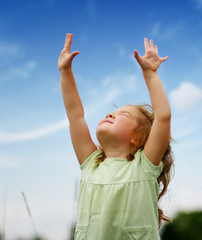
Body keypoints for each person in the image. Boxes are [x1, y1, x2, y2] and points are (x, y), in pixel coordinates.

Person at [58, 33, 174, 240]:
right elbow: (75, 116)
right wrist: (65, 72)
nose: (110, 114)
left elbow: (163, 117)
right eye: (112, 112)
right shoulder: (91, 163)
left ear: (137, 138)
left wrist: (150, 73)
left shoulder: (144, 166)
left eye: (124, 115)